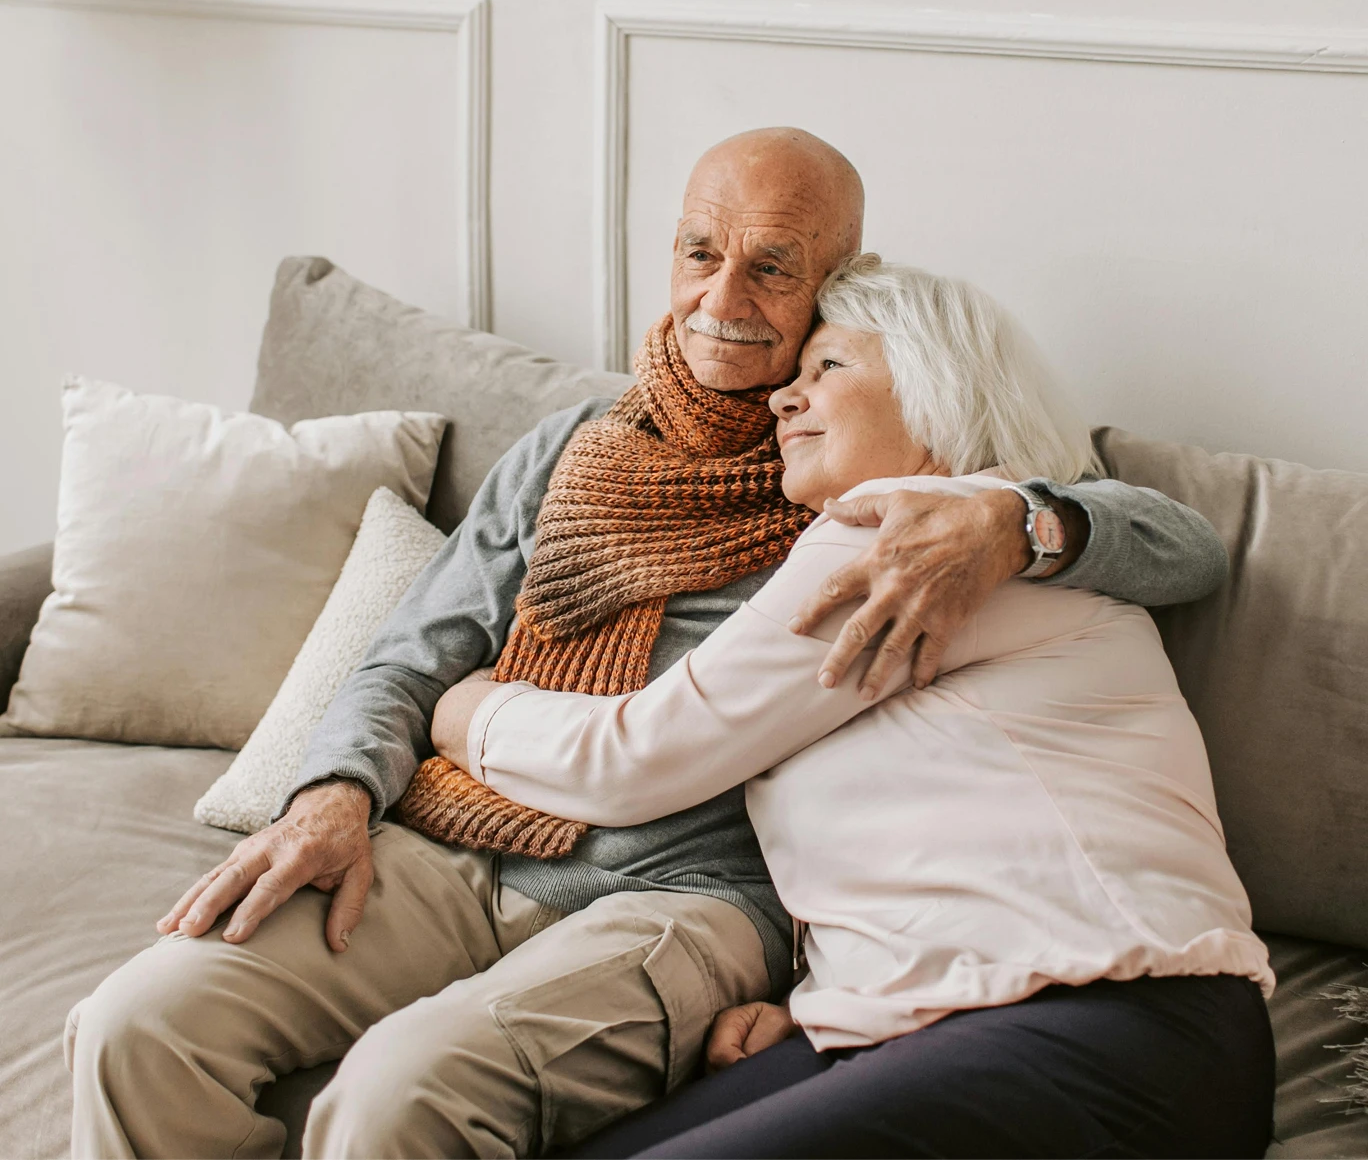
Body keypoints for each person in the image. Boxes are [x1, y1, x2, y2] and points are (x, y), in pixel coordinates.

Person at [66, 131, 1232, 1160]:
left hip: (686, 892)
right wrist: (327, 796)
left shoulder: (893, 505)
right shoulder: (576, 445)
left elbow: (1179, 545)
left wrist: (1013, 519)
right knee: (134, 1029)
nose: (722, 295)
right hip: (467, 836)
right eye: (697, 253)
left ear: (833, 291)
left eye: (773, 268)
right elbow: (411, 654)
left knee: (396, 1099)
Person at [434, 256, 1276, 1159]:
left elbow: (634, 758)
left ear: (938, 385)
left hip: (1112, 1020)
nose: (783, 401)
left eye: (827, 368)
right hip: (939, 1030)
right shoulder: (988, 539)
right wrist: (814, 998)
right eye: (790, 382)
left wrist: (464, 707)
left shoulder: (913, 534)